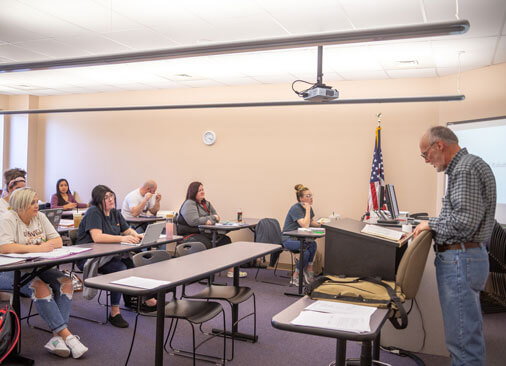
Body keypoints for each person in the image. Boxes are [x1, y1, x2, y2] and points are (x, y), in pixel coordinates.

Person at [413, 126, 495, 366]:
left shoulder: (466, 169)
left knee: (463, 344)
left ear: (439, 146)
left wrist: (430, 224)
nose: (426, 161)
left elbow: (464, 223)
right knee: (466, 336)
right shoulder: (465, 167)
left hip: (461, 259)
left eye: (425, 154)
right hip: (466, 258)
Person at [0, 188, 88, 358]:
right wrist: (37, 248)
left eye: (36, 200)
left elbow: (57, 240)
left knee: (66, 281)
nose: (37, 205)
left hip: (34, 265)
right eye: (32, 202)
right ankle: (68, 337)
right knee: (39, 286)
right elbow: (4, 247)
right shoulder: (7, 219)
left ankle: (57, 338)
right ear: (20, 206)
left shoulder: (40, 217)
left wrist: (42, 248)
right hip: (7, 270)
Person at [76, 185, 156, 328]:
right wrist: (122, 239)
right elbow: (97, 237)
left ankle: (141, 300)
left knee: (132, 264)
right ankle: (115, 312)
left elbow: (126, 230)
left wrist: (135, 235)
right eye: (106, 198)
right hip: (89, 257)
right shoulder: (93, 212)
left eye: (111, 196)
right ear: (98, 200)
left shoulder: (114, 213)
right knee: (120, 268)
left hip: (108, 254)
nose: (110, 199)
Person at [177, 181, 244, 278]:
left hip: (204, 233)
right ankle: (204, 273)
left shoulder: (206, 203)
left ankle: (231, 271)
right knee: (206, 244)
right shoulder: (189, 204)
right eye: (199, 190)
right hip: (190, 235)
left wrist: (208, 220)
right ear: (193, 192)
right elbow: (194, 221)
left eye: (202, 189)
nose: (202, 192)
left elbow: (217, 217)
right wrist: (209, 219)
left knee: (225, 240)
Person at [282, 184, 320, 286]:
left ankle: (308, 269)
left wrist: (323, 224)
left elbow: (311, 222)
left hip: (299, 238)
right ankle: (295, 276)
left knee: (313, 244)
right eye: (308, 196)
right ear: (301, 198)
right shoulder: (296, 208)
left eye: (311, 195)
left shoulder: (309, 208)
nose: (311, 198)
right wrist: (307, 209)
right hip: (288, 238)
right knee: (306, 251)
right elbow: (305, 225)